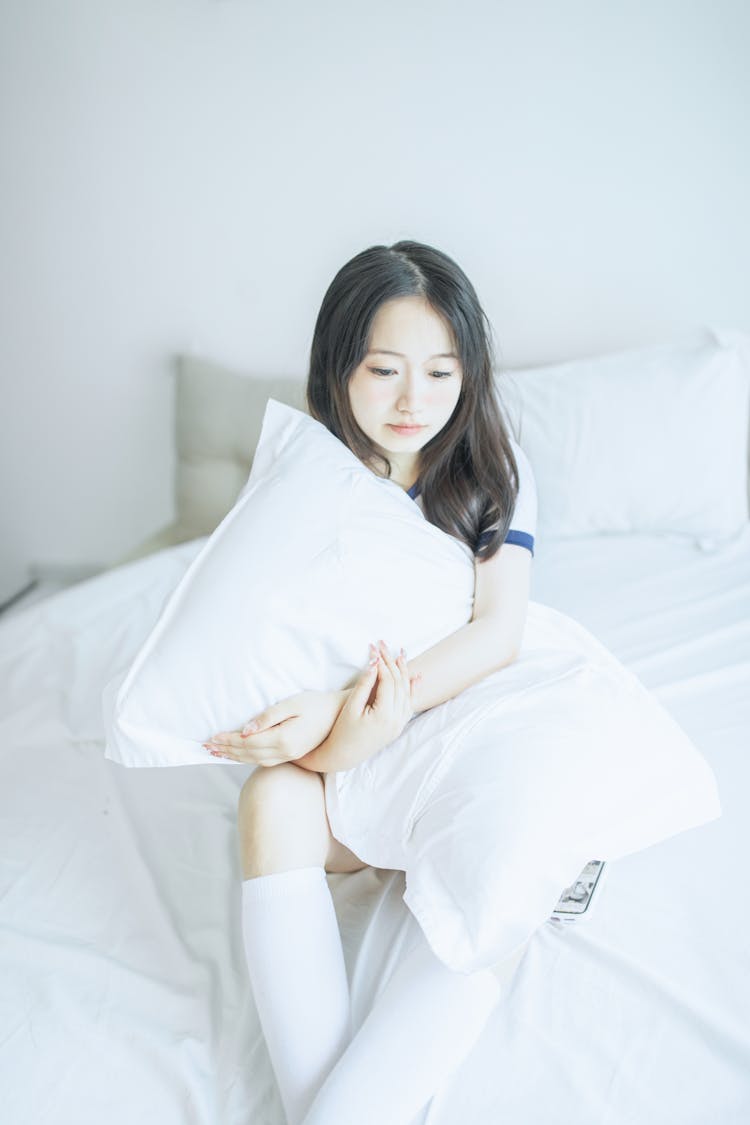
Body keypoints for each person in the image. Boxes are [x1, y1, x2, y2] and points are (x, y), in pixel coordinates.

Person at [204, 240, 537, 1124]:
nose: (411, 401)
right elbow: (280, 643)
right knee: (269, 796)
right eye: (384, 368)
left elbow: (497, 633)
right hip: (352, 757)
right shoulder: (306, 481)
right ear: (337, 365)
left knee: (521, 838)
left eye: (439, 372)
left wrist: (363, 713)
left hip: (454, 739)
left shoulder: (494, 476)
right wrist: (338, 730)